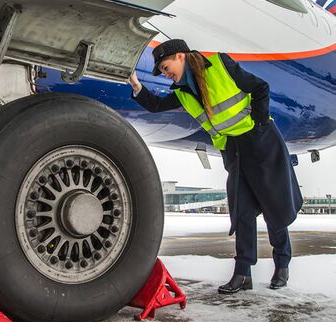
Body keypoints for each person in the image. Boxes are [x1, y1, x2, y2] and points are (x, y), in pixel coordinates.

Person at [129, 39, 303, 293]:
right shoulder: (183, 92)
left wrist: (260, 122)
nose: (166, 74)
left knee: (273, 205)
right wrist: (136, 85)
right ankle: (243, 273)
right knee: (241, 210)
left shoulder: (220, 65)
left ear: (180, 56)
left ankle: (282, 265)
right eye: (163, 72)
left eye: (166, 67)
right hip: (234, 151)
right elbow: (155, 105)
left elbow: (260, 88)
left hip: (261, 140)